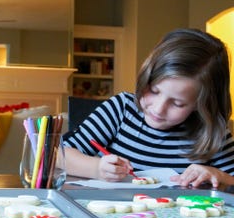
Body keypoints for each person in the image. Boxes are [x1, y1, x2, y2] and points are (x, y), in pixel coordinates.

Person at [63, 28, 234, 188]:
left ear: (201, 104)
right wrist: (96, 168)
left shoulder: (212, 132)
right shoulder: (121, 109)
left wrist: (220, 176)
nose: (158, 109)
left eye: (177, 103)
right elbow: (56, 155)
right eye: (153, 91)